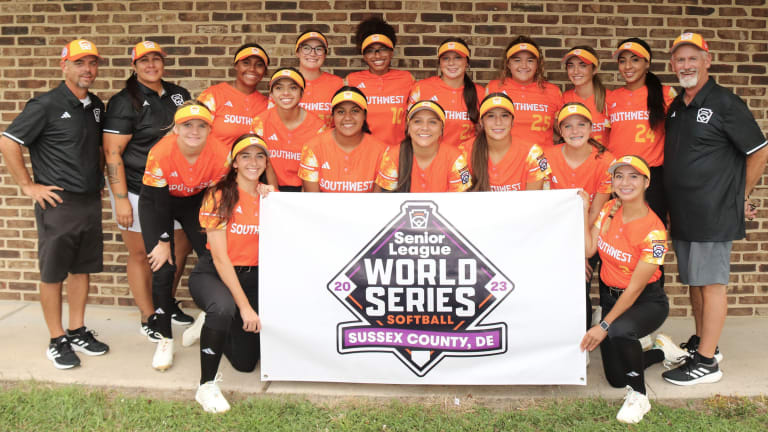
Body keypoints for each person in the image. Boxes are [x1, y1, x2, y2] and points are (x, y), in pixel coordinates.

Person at [659, 33, 768, 386]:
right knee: (695, 281)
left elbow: (759, 151)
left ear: (707, 60)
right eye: (680, 59)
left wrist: (740, 195)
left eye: (693, 58)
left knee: (711, 283)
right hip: (684, 212)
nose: (686, 65)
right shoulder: (677, 106)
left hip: (714, 211)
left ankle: (706, 364)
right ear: (673, 64)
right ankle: (705, 344)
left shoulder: (725, 102)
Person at [0, 39, 109, 369]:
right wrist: (28, 186)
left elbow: (96, 149)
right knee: (53, 273)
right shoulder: (45, 104)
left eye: (92, 63)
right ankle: (56, 338)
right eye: (79, 63)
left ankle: (76, 329)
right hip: (58, 203)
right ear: (64, 66)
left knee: (82, 268)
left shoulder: (96, 106)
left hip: (89, 201)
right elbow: (8, 141)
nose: (87, 69)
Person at [103, 41, 194, 342]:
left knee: (179, 248)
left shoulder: (178, 94)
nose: (151, 65)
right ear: (134, 66)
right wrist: (121, 200)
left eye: (156, 59)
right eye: (144, 60)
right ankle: (148, 314)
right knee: (142, 253)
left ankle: (164, 303)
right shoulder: (123, 101)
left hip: (174, 187)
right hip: (136, 188)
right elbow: (112, 154)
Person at [139, 101, 230, 371]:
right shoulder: (161, 152)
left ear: (210, 129)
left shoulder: (220, 153)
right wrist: (163, 241)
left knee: (214, 257)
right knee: (163, 267)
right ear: (176, 128)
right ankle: (164, 339)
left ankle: (206, 316)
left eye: (201, 125)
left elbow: (214, 195)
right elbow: (159, 202)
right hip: (158, 202)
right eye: (188, 125)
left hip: (195, 201)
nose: (194, 131)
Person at [185, 134, 274, 413]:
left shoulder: (270, 197)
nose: (253, 162)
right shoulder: (218, 196)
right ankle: (206, 386)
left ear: (266, 162)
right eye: (245, 156)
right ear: (234, 163)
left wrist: (272, 196)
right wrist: (245, 308)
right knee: (223, 307)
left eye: (259, 156)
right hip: (215, 274)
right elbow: (221, 259)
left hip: (251, 277)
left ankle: (212, 326)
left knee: (245, 363)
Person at [580, 156, 669, 424]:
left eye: (633, 176)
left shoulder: (655, 233)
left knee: (619, 330)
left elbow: (634, 290)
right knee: (617, 378)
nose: (625, 182)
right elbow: (589, 250)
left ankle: (639, 396)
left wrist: (603, 325)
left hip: (645, 301)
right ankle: (661, 352)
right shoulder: (609, 208)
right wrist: (584, 211)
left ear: (646, 182)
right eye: (619, 176)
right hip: (611, 298)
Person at [549, 102, 614, 328]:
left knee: (578, 285)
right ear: (560, 130)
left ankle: (582, 339)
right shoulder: (547, 156)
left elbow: (595, 211)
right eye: (568, 126)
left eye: (581, 125)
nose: (575, 131)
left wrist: (580, 254)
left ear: (591, 128)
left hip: (587, 232)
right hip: (555, 235)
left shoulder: (606, 161)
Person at [606, 38, 677, 224]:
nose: (628, 66)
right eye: (622, 61)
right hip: (619, 176)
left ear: (647, 63)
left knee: (652, 232)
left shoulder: (666, 94)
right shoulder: (611, 98)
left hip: (651, 178)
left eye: (635, 60)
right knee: (617, 230)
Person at [298, 87, 387, 192]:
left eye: (355, 111)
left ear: (364, 115)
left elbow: (378, 200)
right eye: (341, 112)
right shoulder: (313, 148)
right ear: (333, 116)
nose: (348, 117)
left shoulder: (382, 152)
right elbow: (312, 199)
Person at [251, 68, 325, 192]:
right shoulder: (260, 122)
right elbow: (264, 162)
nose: (286, 93)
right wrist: (275, 194)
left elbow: (314, 170)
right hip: (269, 188)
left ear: (302, 93)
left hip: (305, 190)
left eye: (293, 88)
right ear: (271, 93)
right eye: (279, 88)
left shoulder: (318, 127)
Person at [375, 100, 472, 192]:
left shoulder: (454, 158)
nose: (425, 127)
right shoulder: (393, 156)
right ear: (408, 127)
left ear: (442, 128)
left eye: (432, 122)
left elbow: (461, 201)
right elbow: (383, 200)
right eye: (417, 121)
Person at [346, 16, 415, 146]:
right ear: (364, 56)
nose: (377, 55)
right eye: (370, 51)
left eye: (383, 49)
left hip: (398, 152)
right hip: (364, 151)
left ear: (392, 52)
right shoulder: (351, 81)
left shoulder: (407, 79)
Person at [461, 93, 550, 192]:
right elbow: (460, 199)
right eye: (491, 116)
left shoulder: (533, 154)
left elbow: (533, 200)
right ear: (481, 121)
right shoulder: (463, 152)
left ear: (512, 121)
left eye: (504, 116)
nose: (498, 122)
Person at [486, 36, 563, 152]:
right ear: (508, 64)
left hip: (542, 159)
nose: (524, 66)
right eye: (517, 60)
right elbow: (481, 127)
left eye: (530, 60)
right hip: (505, 158)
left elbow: (565, 130)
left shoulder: (553, 91)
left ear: (538, 64)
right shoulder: (494, 88)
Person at [408, 38, 483, 149]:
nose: (451, 63)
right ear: (440, 63)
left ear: (467, 62)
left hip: (466, 157)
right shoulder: (421, 88)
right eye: (446, 58)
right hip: (430, 155)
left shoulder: (480, 93)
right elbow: (409, 128)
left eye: (458, 58)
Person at [198, 43, 269, 149]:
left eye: (259, 65)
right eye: (246, 63)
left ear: (265, 71)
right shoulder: (213, 95)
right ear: (236, 66)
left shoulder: (268, 105)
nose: (252, 69)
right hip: (214, 159)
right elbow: (194, 134)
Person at [562, 46, 611, 147]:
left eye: (583, 65)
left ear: (594, 69)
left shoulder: (610, 98)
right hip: (575, 156)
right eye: (571, 66)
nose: (576, 71)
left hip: (604, 156)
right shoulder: (563, 99)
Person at [293, 30, 344, 125]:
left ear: (325, 54)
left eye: (319, 49)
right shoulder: (285, 82)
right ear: (297, 52)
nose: (313, 53)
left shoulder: (337, 83)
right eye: (306, 48)